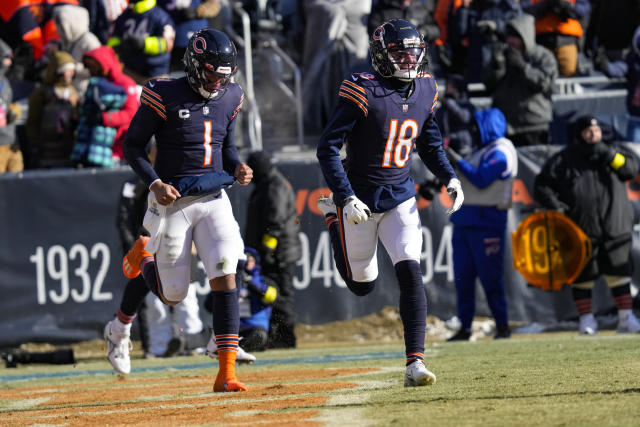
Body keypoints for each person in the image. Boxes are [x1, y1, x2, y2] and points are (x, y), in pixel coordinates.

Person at [103, 28, 254, 393]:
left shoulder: (230, 95)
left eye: (224, 75)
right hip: (172, 202)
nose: (218, 82)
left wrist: (237, 166)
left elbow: (226, 145)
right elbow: (133, 146)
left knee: (225, 271)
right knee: (174, 294)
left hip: (214, 197)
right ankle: (144, 262)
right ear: (193, 65)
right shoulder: (164, 94)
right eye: (212, 73)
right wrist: (154, 183)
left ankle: (226, 373)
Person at [316, 19, 463, 387]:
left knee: (411, 272)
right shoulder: (362, 88)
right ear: (381, 55)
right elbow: (327, 148)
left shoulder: (427, 88)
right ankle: (332, 222)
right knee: (362, 284)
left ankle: (415, 363)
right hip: (359, 202)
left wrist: (450, 177)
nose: (408, 59)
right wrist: (345, 196)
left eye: (413, 52)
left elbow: (429, 142)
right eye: (399, 52)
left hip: (400, 197)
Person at [534, 116, 640, 335]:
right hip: (580, 231)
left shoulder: (613, 151)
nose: (593, 134)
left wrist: (610, 155)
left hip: (615, 226)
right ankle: (586, 321)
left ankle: (625, 319)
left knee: (619, 275)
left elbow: (630, 169)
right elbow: (542, 186)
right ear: (579, 134)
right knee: (582, 278)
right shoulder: (564, 159)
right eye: (588, 131)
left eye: (597, 130)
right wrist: (558, 207)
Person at [445, 107, 517, 341]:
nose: (474, 131)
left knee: (490, 278)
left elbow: (481, 179)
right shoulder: (482, 150)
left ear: (489, 126)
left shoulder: (502, 151)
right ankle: (465, 327)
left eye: (477, 126)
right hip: (465, 219)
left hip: (487, 221)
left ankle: (502, 325)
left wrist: (454, 157)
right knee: (463, 278)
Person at [245, 151, 301, 349]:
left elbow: (274, 222)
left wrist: (267, 252)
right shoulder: (269, 184)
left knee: (282, 297)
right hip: (276, 253)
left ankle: (286, 339)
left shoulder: (274, 186)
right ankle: (276, 336)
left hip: (279, 255)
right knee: (272, 296)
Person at [483, 13, 557, 146]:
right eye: (509, 36)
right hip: (504, 126)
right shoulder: (503, 54)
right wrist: (498, 67)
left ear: (526, 37)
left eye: (516, 37)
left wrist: (523, 67)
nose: (511, 41)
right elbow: (489, 85)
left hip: (533, 125)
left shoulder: (543, 56)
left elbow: (545, 83)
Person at [81, 46, 139, 163]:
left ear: (104, 65)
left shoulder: (125, 83)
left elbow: (131, 113)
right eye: (89, 68)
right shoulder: (96, 84)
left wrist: (104, 118)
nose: (91, 71)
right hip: (96, 140)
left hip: (118, 143)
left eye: (94, 67)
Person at [26, 50, 78, 169]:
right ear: (58, 71)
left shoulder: (73, 92)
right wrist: (35, 144)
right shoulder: (42, 92)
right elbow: (33, 120)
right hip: (47, 151)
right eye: (68, 70)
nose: (72, 73)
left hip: (68, 149)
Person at [107, 0, 176, 83]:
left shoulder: (161, 17)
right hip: (128, 72)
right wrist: (118, 46)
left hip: (155, 76)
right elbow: (113, 38)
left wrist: (144, 44)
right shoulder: (125, 15)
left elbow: (168, 44)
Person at [521, 0, 590, 77]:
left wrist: (570, 7)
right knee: (543, 73)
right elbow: (524, 8)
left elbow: (584, 9)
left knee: (570, 72)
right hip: (541, 40)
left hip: (567, 39)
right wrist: (546, 5)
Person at [0, 39, 23, 173]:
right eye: (6, 59)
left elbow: (8, 106)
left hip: (11, 141)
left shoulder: (5, 83)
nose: (9, 63)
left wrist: (14, 111)